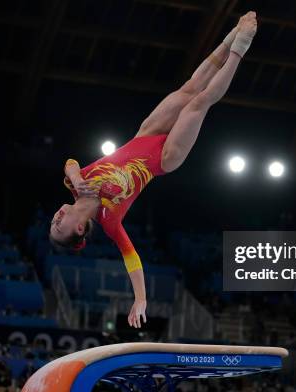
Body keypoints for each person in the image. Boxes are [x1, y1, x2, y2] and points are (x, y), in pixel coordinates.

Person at [49, 12, 258, 328]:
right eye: (58, 228)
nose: (56, 219)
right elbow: (131, 260)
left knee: (190, 87)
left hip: (144, 135)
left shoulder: (78, 185)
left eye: (53, 221)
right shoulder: (109, 220)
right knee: (197, 104)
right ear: (79, 229)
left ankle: (230, 36)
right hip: (165, 159)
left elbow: (70, 163)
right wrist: (141, 298)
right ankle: (241, 46)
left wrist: (78, 177)